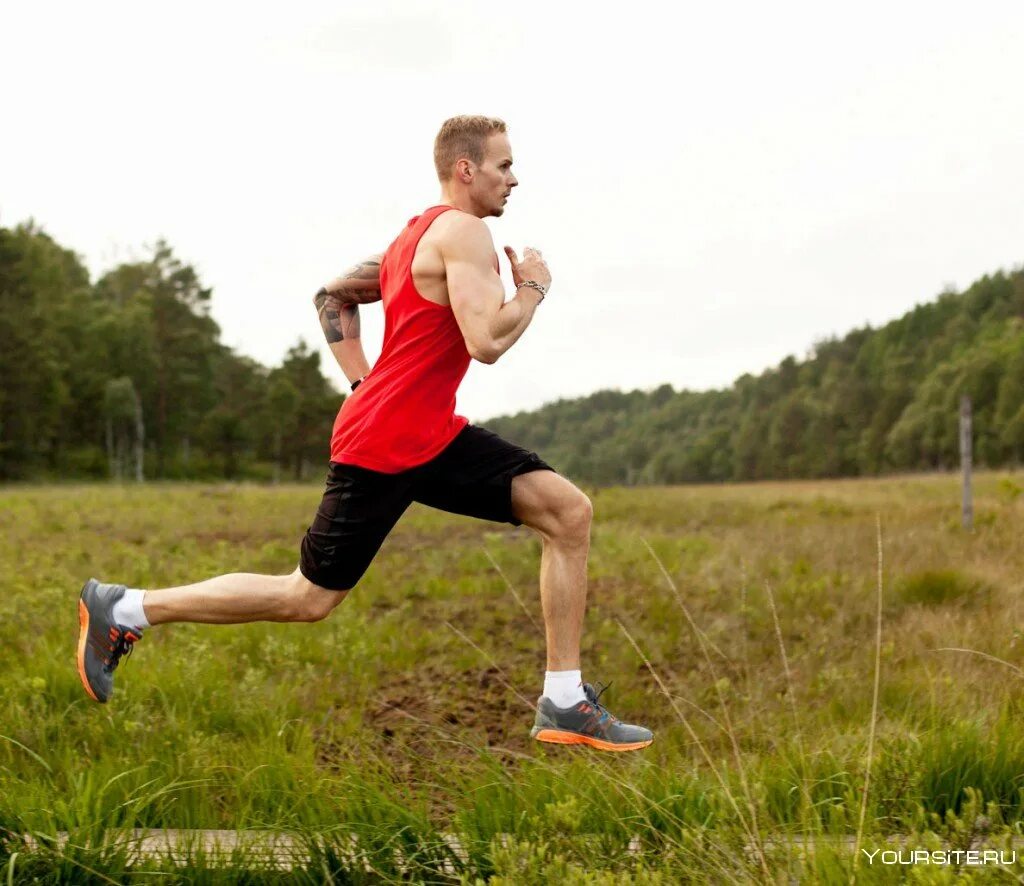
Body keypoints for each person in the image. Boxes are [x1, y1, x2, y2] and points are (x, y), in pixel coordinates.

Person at [77, 115, 653, 752]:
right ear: (466, 170)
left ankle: (565, 698)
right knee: (306, 597)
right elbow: (485, 341)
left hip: (425, 433)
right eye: (504, 166)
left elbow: (330, 295)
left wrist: (363, 383)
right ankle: (126, 608)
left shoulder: (410, 240)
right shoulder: (463, 233)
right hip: (386, 444)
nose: (514, 180)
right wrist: (535, 289)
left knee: (567, 514)